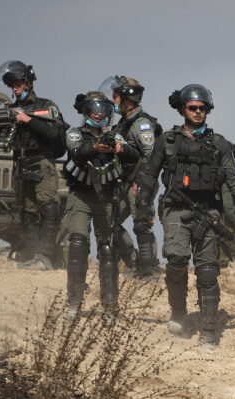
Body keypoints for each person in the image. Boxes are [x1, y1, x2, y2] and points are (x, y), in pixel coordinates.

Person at [135, 84, 235, 350]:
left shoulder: (219, 145)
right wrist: (143, 204)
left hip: (208, 212)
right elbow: (149, 175)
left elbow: (234, 181)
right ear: (183, 110)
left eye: (202, 108)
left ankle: (209, 329)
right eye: (193, 108)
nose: (198, 112)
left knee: (207, 272)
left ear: (208, 111)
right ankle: (178, 312)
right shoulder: (167, 141)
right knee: (177, 260)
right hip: (175, 208)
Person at [62, 91, 139, 320]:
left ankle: (108, 306)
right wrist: (94, 148)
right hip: (81, 196)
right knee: (77, 244)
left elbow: (134, 155)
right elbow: (76, 154)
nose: (99, 114)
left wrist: (120, 149)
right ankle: (74, 303)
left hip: (106, 198)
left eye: (104, 109)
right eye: (94, 109)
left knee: (108, 249)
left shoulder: (114, 136)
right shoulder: (75, 134)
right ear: (86, 111)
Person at [0, 60, 67, 270]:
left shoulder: (46, 107)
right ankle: (33, 253)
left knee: (50, 210)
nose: (15, 89)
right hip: (21, 165)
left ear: (28, 82)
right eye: (12, 85)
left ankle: (45, 256)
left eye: (18, 83)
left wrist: (28, 120)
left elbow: (56, 134)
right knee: (27, 214)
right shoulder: (11, 109)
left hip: (42, 163)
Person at [101, 75, 163, 277]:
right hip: (124, 182)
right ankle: (135, 264)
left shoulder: (141, 124)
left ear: (128, 99)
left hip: (140, 181)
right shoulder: (122, 124)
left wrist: (143, 184)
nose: (113, 101)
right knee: (109, 222)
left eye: (116, 97)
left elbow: (151, 155)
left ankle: (150, 269)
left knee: (141, 223)